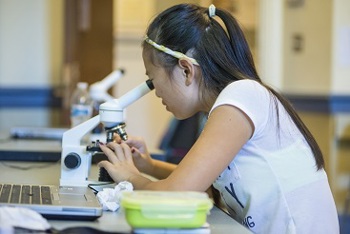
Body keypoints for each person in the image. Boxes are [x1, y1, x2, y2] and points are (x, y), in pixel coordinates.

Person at [98, 3, 339, 233]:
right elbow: (199, 181)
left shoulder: (242, 96)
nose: (155, 90)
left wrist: (129, 176)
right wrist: (148, 166)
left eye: (152, 78)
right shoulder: (226, 104)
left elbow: (177, 193)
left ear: (186, 70)